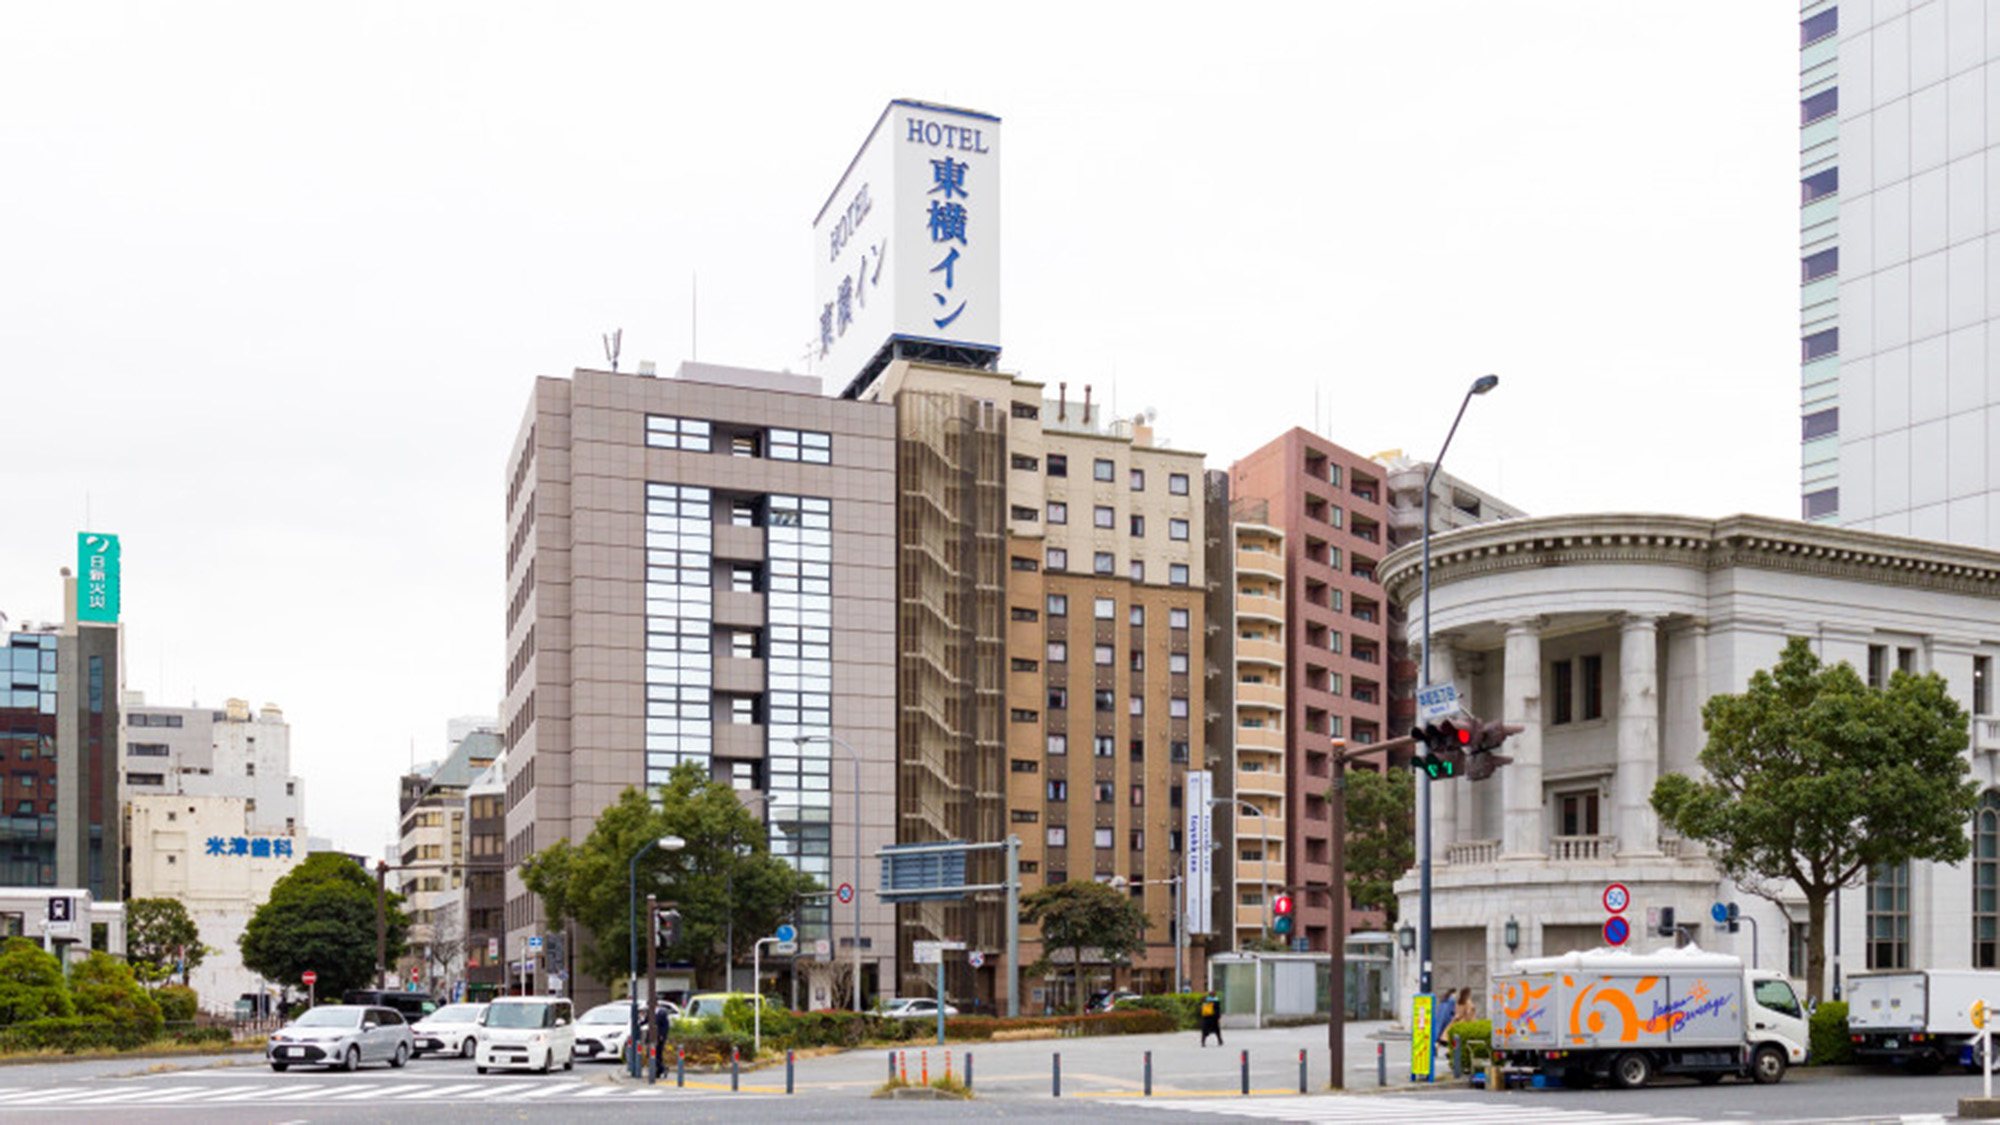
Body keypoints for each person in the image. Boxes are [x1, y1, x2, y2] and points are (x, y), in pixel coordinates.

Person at [1433, 986, 1458, 1058]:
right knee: (1449, 1036)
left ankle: (1436, 1047)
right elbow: (1452, 1011)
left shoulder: (1444, 1000)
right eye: (1455, 993)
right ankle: (1449, 1052)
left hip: (1441, 1019)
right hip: (1448, 1020)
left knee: (1441, 1036)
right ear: (1453, 993)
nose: (1456, 995)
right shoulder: (1452, 1000)